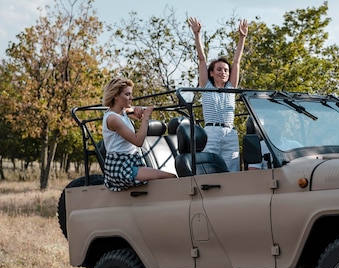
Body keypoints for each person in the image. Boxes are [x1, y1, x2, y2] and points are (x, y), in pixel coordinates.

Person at [188, 16, 248, 172]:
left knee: (232, 169)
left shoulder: (230, 87)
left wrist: (242, 37)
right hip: (212, 132)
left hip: (230, 133)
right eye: (219, 69)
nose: (223, 72)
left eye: (226, 70)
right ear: (212, 73)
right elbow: (201, 59)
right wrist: (197, 34)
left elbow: (237, 62)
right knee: (209, 168)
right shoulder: (206, 86)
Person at [101, 77, 176, 191]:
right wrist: (146, 118)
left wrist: (136, 112)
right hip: (121, 166)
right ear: (116, 96)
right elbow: (138, 141)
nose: (131, 98)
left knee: (170, 176)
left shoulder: (122, 112)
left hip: (131, 162)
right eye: (127, 94)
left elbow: (128, 111)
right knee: (171, 177)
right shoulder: (113, 119)